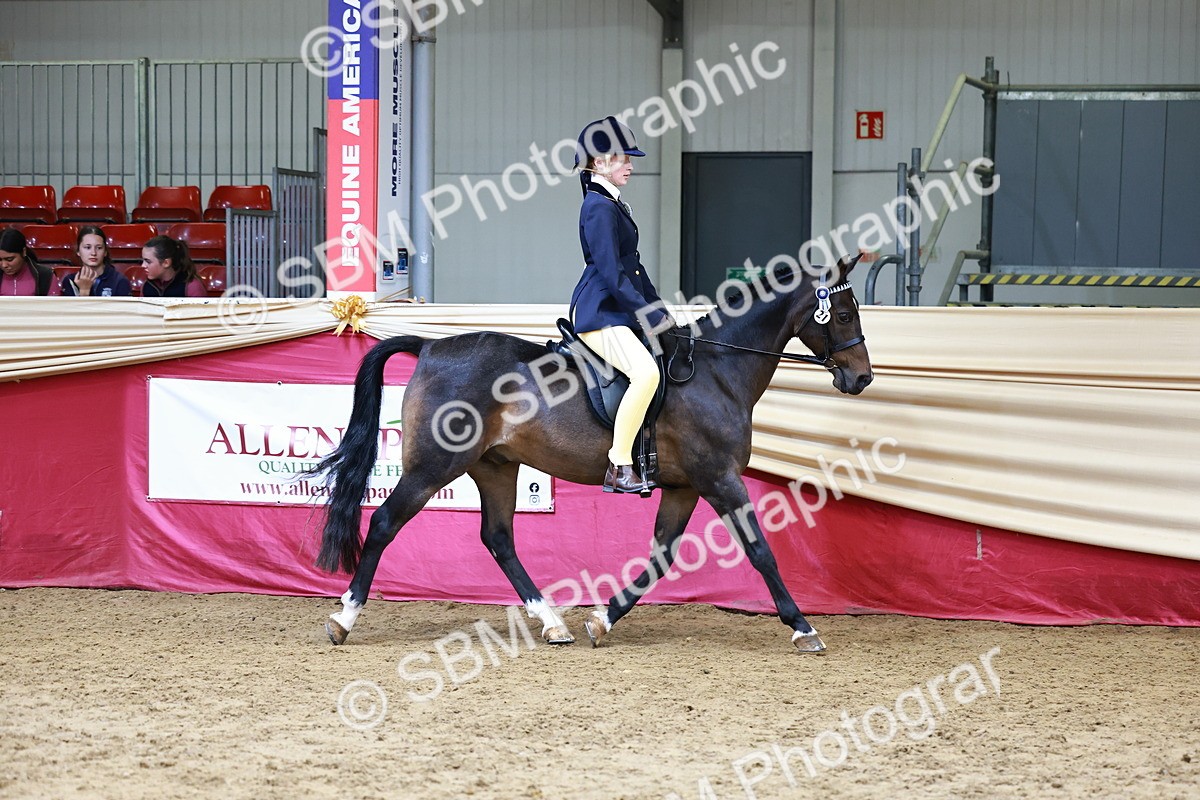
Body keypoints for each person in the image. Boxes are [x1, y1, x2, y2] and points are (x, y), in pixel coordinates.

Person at [569, 116, 674, 494]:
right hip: (600, 312)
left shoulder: (613, 204)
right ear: (598, 163)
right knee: (646, 374)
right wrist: (646, 313)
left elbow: (634, 268)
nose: (630, 165)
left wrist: (660, 308)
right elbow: (613, 274)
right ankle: (619, 463)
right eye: (621, 159)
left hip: (617, 308)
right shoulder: (598, 206)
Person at [61, 226, 132, 297]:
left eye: (99, 248)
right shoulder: (69, 281)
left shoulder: (120, 281)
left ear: (105, 252)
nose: (93, 253)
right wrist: (84, 291)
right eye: (88, 247)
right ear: (78, 251)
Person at [0, 226, 60, 296]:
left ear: (24, 252)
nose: (4, 265)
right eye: (0, 260)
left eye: (10, 259)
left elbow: (55, 305)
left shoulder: (46, 276)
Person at [141, 234, 206, 297]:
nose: (143, 265)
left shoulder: (192, 286)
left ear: (166, 263)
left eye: (148, 261)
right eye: (143, 260)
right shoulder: (146, 286)